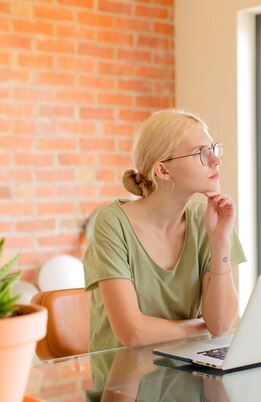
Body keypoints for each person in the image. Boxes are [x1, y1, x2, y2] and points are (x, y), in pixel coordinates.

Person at [83, 109, 246, 352]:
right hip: (124, 382)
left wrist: (220, 241)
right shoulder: (112, 222)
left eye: (213, 149)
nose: (215, 159)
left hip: (191, 373)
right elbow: (132, 332)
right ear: (163, 170)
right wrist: (201, 326)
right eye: (201, 152)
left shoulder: (209, 221)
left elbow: (221, 324)